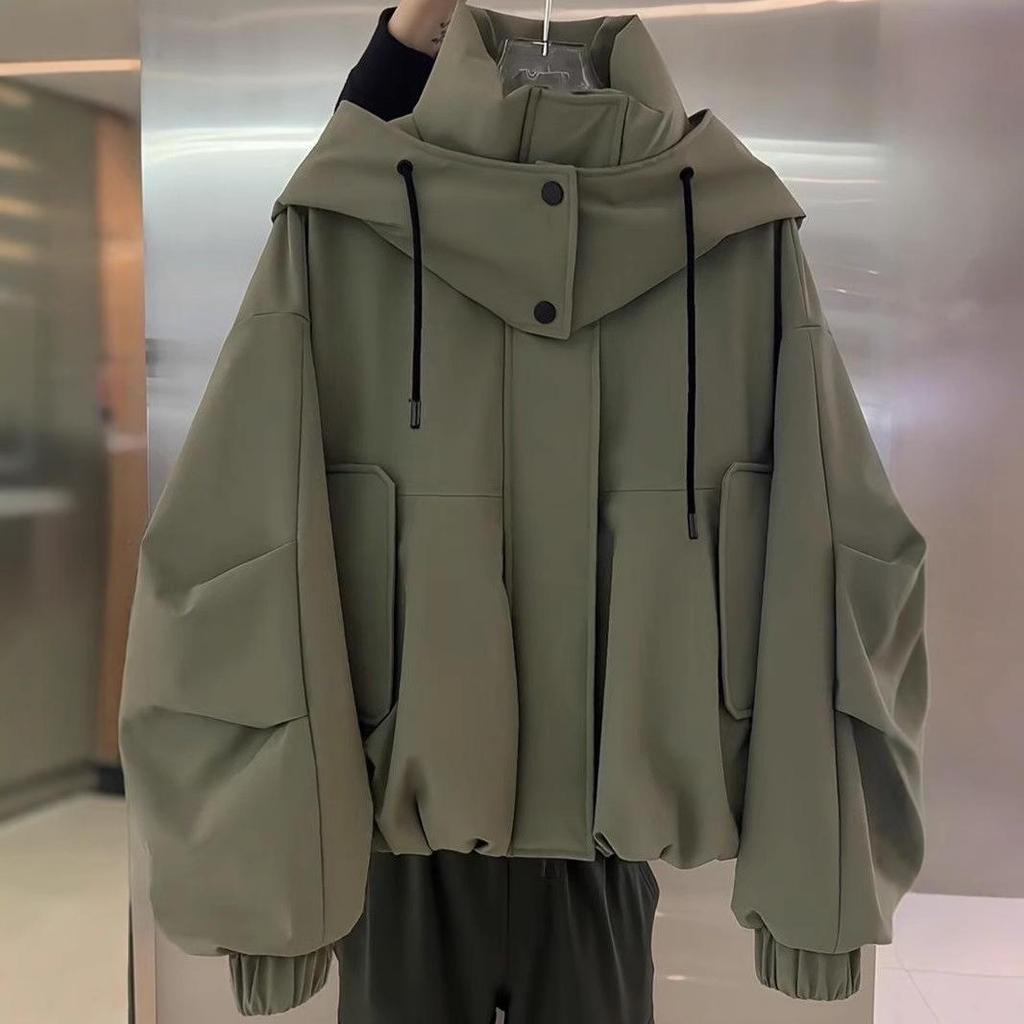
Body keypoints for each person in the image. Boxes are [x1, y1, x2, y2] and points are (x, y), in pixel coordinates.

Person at [327, 7, 660, 1024]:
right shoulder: (371, 223)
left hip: (596, 825)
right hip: (405, 819)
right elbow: (344, 180)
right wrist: (407, 39)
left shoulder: (672, 205)